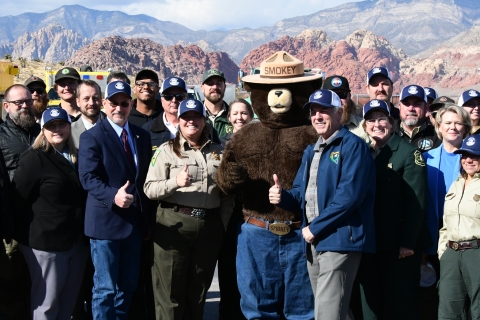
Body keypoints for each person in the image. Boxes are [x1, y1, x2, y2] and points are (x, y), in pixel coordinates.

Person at [269, 89, 376, 320]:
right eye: (314, 112)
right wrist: (282, 196)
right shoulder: (313, 150)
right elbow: (300, 194)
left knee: (328, 313)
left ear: (339, 113)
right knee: (332, 310)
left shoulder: (353, 146)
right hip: (315, 242)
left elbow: (349, 196)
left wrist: (315, 228)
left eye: (324, 111)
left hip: (340, 241)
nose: (317, 116)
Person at [144, 98, 234, 320]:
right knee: (170, 294)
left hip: (208, 228)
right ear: (179, 121)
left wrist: (221, 224)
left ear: (204, 121)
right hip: (173, 225)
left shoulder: (218, 152)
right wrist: (175, 182)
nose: (191, 121)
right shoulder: (166, 150)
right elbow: (149, 189)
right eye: (186, 117)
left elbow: (227, 195)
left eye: (196, 116)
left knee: (198, 292)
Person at [78, 81, 152, 320]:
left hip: (134, 225)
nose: (119, 108)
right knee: (105, 289)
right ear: (104, 104)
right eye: (114, 103)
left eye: (124, 103)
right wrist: (113, 195)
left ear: (131, 104)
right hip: (106, 223)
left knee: (127, 287)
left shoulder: (142, 136)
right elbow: (87, 177)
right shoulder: (93, 137)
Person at [356, 99, 430, 320]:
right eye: (371, 120)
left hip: (398, 247)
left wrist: (408, 242)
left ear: (392, 122)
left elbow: (416, 201)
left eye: (382, 119)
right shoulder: (362, 152)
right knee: (370, 307)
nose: (376, 124)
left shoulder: (407, 153)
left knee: (400, 306)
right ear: (364, 125)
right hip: (369, 243)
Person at [12, 107, 88, 320]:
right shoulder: (34, 159)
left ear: (69, 127)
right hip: (46, 244)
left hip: (76, 242)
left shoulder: (78, 157)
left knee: (68, 302)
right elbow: (17, 200)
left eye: (61, 125)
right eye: (51, 126)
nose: (57, 129)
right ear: (42, 130)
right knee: (46, 304)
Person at [421, 105, 471, 319]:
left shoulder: (472, 161)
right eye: (448, 123)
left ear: (466, 128)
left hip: (461, 241)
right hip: (430, 240)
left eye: (458, 123)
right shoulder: (424, 159)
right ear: (438, 128)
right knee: (430, 299)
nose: (453, 127)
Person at [0, 84, 40, 319]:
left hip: (40, 224)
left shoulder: (43, 132)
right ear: (7, 107)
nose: (24, 106)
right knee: (11, 286)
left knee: (38, 285)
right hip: (12, 227)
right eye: (18, 103)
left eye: (27, 101)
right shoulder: (1, 136)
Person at [217, 98, 253, 320]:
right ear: (229, 118)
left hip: (253, 213)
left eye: (244, 113)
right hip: (228, 214)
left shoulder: (261, 142)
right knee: (228, 270)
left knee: (250, 273)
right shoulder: (220, 144)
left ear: (251, 116)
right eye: (235, 113)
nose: (240, 117)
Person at [437, 134, 480, 319]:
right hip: (452, 253)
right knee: (448, 310)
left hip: (476, 252)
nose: (468, 160)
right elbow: (446, 223)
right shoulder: (456, 184)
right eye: (465, 155)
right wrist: (443, 252)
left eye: (475, 156)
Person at [142, 76, 188, 152]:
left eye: (180, 96)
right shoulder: (147, 130)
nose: (174, 100)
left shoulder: (199, 127)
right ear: (161, 99)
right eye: (168, 96)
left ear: (186, 98)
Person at [395, 84, 441, 151]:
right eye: (406, 104)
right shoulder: (390, 134)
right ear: (399, 107)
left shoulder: (437, 135)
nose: (411, 108)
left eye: (417, 104)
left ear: (426, 107)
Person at [322, 75, 367, 141]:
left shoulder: (364, 127)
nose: (337, 100)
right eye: (332, 96)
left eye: (342, 94)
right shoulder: (318, 128)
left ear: (349, 96)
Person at [71, 80, 106, 149]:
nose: (91, 103)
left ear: (101, 101)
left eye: (95, 98)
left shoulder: (112, 129)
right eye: (86, 99)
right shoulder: (70, 132)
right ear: (78, 102)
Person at [201, 68, 233, 137]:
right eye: (210, 83)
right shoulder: (195, 115)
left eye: (219, 83)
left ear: (224, 87)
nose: (215, 87)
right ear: (202, 88)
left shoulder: (234, 116)